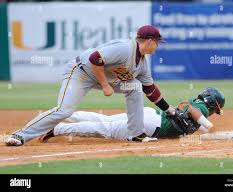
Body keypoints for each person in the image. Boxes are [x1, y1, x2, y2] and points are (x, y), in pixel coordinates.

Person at [6, 25, 177, 146]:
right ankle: (20, 135)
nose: (157, 46)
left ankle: (136, 135)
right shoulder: (125, 48)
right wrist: (105, 85)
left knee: (136, 87)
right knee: (64, 110)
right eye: (156, 42)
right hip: (80, 73)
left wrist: (170, 110)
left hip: (102, 78)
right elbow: (95, 58)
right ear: (148, 41)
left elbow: (150, 90)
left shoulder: (142, 64)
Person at [39, 87, 225, 142]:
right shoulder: (199, 108)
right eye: (215, 110)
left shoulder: (195, 103)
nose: (213, 113)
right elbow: (194, 113)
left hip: (151, 116)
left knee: (106, 121)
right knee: (106, 129)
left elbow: (194, 122)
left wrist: (208, 131)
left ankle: (66, 114)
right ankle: (59, 128)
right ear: (211, 103)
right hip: (151, 125)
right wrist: (210, 127)